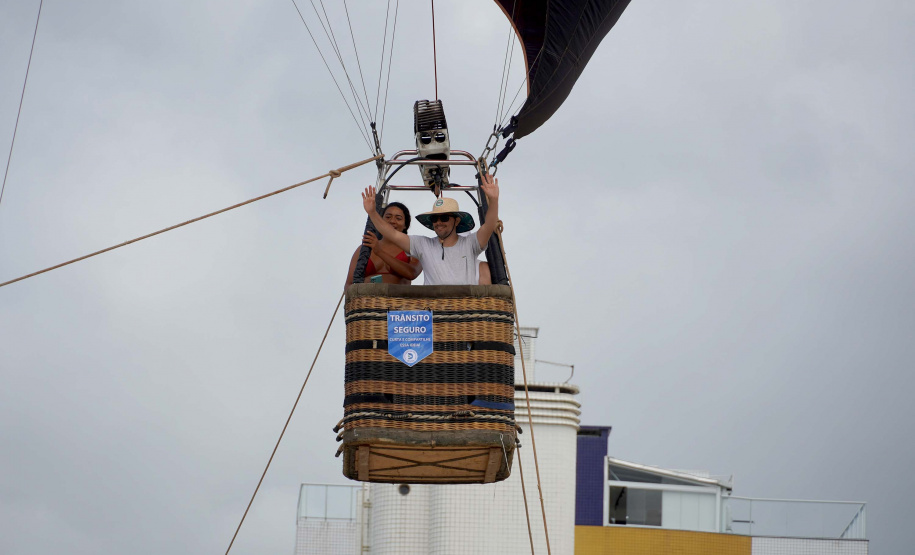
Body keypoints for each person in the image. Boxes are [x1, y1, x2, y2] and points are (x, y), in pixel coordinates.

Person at [360, 173, 499, 286]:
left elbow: (489, 225)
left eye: (444, 218)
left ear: (456, 221)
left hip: (462, 312)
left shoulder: (471, 243)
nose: (439, 223)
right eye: (435, 219)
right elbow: (392, 234)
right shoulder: (423, 244)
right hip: (435, 314)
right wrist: (372, 213)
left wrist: (493, 200)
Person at [346, 202, 422, 286]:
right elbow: (349, 284)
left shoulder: (413, 247)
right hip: (367, 298)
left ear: (405, 225)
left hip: (399, 298)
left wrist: (379, 252)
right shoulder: (365, 248)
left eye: (398, 218)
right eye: (388, 217)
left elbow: (412, 273)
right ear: (381, 221)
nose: (392, 221)